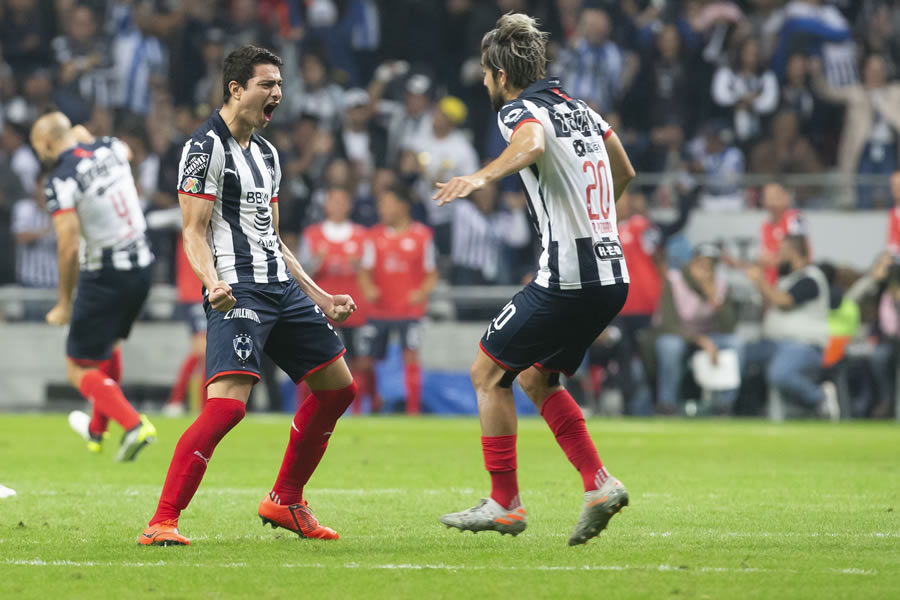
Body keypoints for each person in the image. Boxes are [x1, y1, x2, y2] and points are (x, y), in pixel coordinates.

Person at [138, 45, 358, 547]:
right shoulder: (204, 148)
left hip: (280, 286)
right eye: (267, 84)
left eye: (280, 84)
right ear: (236, 89)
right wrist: (213, 282)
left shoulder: (267, 153)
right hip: (237, 292)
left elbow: (272, 238)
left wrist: (320, 296)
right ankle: (162, 521)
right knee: (227, 409)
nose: (277, 93)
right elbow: (192, 231)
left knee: (338, 389)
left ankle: (285, 500)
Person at [434, 14, 635, 546]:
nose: (482, 83)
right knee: (533, 377)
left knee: (486, 373)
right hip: (613, 274)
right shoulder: (584, 111)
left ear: (501, 74)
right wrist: (594, 222)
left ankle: (505, 503)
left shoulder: (519, 110)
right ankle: (598, 485)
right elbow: (626, 171)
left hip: (568, 276)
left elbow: (531, 144)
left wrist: (480, 175)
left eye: (484, 73)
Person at [30, 113, 157, 461]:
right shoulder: (114, 148)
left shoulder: (60, 179)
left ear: (43, 145)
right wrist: (82, 139)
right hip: (143, 267)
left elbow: (69, 244)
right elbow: (123, 154)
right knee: (106, 346)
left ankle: (134, 425)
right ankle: (97, 431)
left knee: (77, 368)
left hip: (105, 275)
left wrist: (63, 302)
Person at [357, 184, 438, 414]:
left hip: (409, 310)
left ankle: (413, 411)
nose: (382, 209)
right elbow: (364, 271)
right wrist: (368, 289)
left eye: (387, 204)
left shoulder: (422, 235)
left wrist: (420, 293)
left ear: (403, 206)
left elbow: (432, 272)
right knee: (366, 360)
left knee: (410, 355)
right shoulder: (374, 236)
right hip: (379, 309)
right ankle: (373, 403)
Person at [743, 234, 839, 419]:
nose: (777, 257)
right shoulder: (788, 279)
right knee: (738, 354)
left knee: (779, 373)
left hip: (803, 345)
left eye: (781, 252)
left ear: (793, 253)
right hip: (773, 343)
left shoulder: (811, 278)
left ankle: (819, 397)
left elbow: (783, 301)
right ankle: (728, 409)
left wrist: (760, 279)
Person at [300, 186, 370, 413]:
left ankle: (358, 410)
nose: (338, 206)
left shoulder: (362, 234)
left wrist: (360, 268)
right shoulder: (312, 234)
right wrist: (315, 263)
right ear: (326, 204)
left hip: (354, 309)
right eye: (334, 201)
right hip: (321, 308)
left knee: (359, 361)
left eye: (343, 201)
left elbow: (371, 271)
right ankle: (308, 408)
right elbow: (300, 271)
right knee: (314, 362)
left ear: (349, 205)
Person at [654, 244, 741, 415]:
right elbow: (668, 323)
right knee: (670, 346)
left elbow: (729, 326)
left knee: (735, 344)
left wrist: (714, 299)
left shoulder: (720, 284)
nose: (705, 271)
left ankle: (725, 405)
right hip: (678, 334)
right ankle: (667, 404)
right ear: (691, 264)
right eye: (701, 265)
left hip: (708, 335)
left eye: (710, 267)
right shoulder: (675, 280)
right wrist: (701, 340)